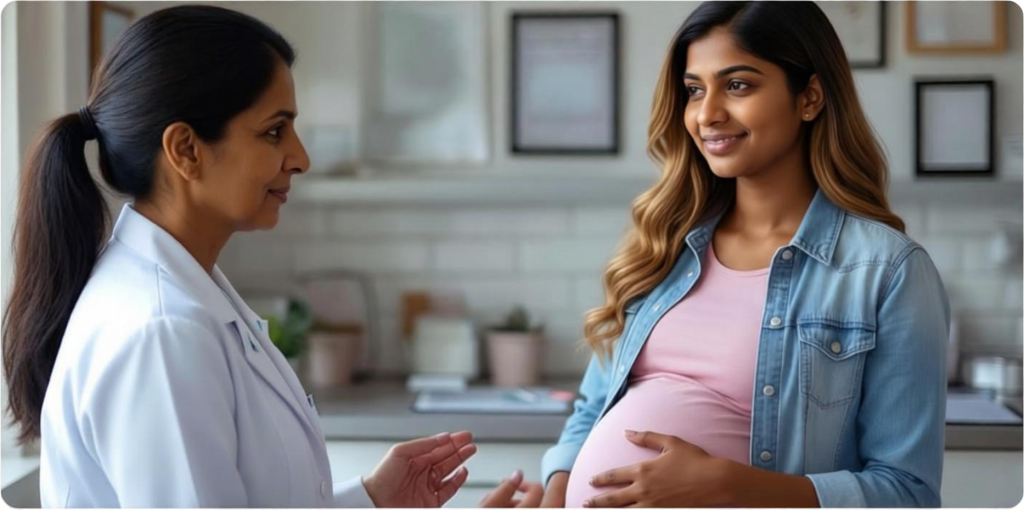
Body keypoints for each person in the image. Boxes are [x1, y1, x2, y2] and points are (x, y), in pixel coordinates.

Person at [1, 6, 478, 507]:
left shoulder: (184, 294)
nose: (301, 158)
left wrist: (372, 501)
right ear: (186, 149)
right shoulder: (162, 331)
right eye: (274, 131)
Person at [539, 1, 950, 507]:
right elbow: (593, 408)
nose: (707, 113)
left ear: (810, 97)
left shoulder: (886, 272)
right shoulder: (664, 245)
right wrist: (557, 490)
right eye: (694, 90)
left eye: (738, 85)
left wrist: (733, 488)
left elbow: (908, 493)